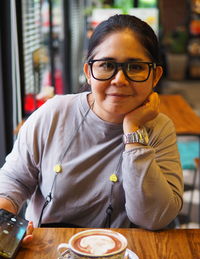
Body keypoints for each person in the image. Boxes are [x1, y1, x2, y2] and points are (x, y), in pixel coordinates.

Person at [0, 14, 183, 238]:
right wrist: (4, 218)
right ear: (88, 72)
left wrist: (134, 131)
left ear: (155, 76)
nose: (119, 79)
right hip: (46, 249)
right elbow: (14, 180)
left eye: (135, 67)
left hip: (118, 255)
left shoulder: (158, 129)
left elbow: (154, 217)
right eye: (107, 65)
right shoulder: (54, 113)